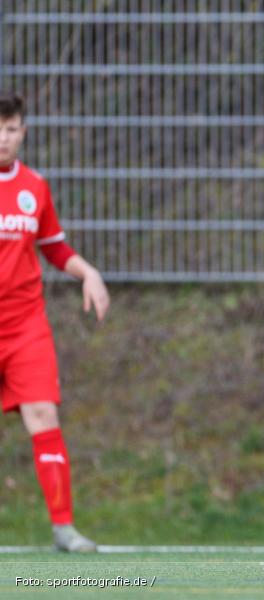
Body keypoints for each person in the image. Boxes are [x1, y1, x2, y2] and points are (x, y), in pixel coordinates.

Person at [0, 92, 109, 552]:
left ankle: (63, 528)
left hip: (25, 325)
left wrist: (88, 272)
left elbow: (54, 247)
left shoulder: (34, 187)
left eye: (10, 128)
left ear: (23, 132)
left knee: (44, 414)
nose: (3, 137)